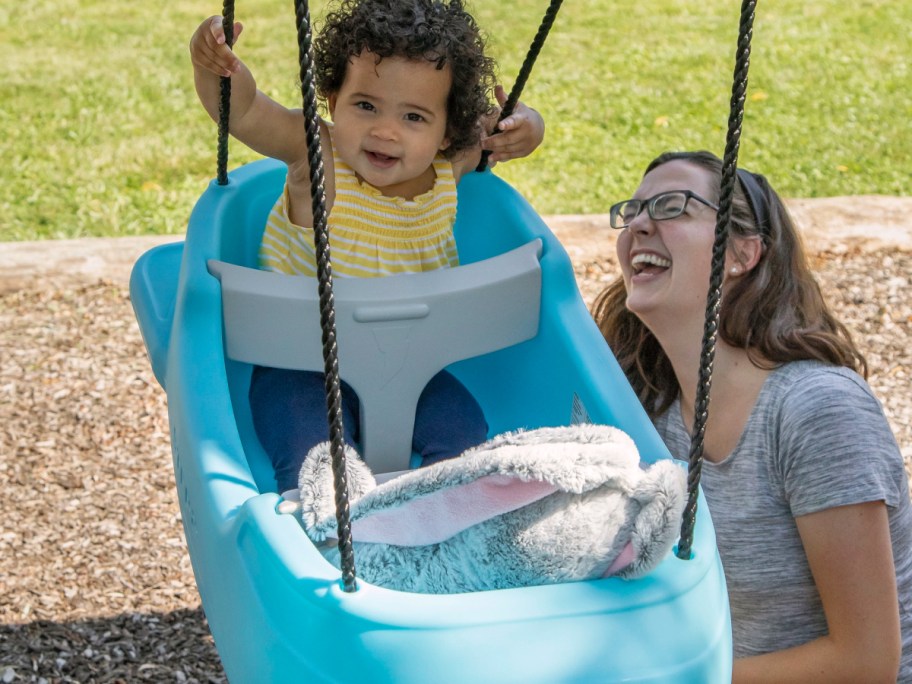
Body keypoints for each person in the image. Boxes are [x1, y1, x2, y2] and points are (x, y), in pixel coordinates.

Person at [189, 0, 545, 492]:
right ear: (332, 99)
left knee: (466, 433)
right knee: (313, 458)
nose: (385, 130)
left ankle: (437, 515)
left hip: (410, 365)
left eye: (415, 117)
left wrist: (528, 129)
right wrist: (214, 66)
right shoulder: (317, 155)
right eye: (365, 105)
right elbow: (245, 110)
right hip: (300, 365)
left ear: (448, 130)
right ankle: (331, 534)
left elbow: (498, 129)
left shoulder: (448, 169)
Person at [592, 150, 912, 682]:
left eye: (673, 207)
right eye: (634, 211)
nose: (640, 224)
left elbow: (866, 661)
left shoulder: (815, 410)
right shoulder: (652, 406)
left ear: (742, 254)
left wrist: (672, 677)